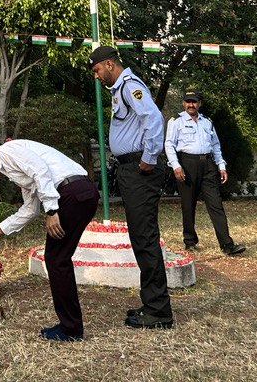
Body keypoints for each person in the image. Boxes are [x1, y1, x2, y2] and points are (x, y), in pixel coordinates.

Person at [0, 137, 98, 342]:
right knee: (58, 258)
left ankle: (71, 329)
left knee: (57, 259)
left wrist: (52, 209)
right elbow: (30, 208)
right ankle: (70, 326)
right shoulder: (13, 166)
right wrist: (2, 228)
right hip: (81, 193)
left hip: (71, 193)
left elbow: (40, 170)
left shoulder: (8, 152)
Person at [88, 44, 173, 329]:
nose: (97, 76)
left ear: (110, 64)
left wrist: (149, 157)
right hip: (130, 170)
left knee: (145, 238)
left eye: (98, 70)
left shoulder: (130, 86)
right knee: (141, 238)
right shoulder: (120, 89)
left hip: (140, 169)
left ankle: (159, 311)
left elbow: (153, 118)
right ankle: (152, 304)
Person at [164, 88, 246, 255]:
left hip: (207, 164)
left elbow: (215, 145)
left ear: (199, 103)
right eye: (188, 101)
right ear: (183, 103)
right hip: (187, 163)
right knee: (188, 205)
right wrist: (175, 165)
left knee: (216, 204)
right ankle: (190, 241)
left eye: (194, 101)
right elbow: (169, 144)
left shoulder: (207, 122)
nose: (191, 105)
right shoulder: (176, 121)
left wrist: (221, 166)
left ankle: (227, 245)